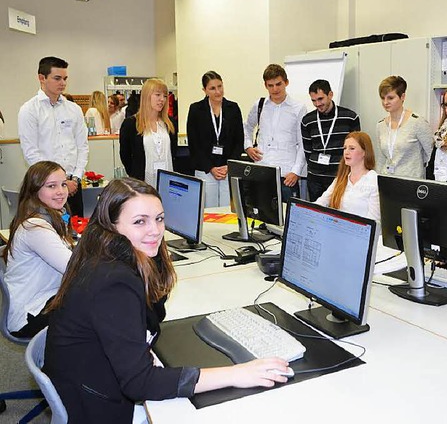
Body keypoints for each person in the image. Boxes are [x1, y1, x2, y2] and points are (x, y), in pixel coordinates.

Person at [43, 178, 290, 423]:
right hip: (97, 403)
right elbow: (139, 384)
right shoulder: (112, 281)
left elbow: (150, 317)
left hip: (91, 376)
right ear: (112, 226)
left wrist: (155, 265)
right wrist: (236, 374)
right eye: (140, 221)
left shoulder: (109, 254)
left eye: (159, 218)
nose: (155, 230)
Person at [2, 161, 73, 338]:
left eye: (63, 184)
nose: (61, 191)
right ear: (35, 190)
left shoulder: (49, 217)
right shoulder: (35, 227)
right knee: (99, 306)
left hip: (44, 298)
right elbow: (74, 269)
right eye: (51, 186)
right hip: (29, 313)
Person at [18, 56, 88, 216]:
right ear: (41, 78)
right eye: (57, 78)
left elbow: (82, 147)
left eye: (65, 78)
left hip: (73, 185)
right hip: (44, 186)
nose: (63, 83)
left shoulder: (74, 109)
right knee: (48, 231)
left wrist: (75, 179)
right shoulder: (29, 110)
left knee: (76, 233)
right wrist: (58, 183)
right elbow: (30, 152)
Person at [243, 64, 306, 201]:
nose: (275, 89)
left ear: (286, 82)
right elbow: (247, 127)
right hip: (261, 171)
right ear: (265, 85)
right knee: (260, 216)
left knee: (286, 218)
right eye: (270, 85)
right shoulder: (259, 105)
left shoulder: (298, 108)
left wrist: (296, 171)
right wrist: (248, 147)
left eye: (278, 84)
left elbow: (303, 144)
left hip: (286, 175)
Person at [187, 71, 244, 207]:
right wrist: (210, 168)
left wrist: (229, 165)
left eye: (220, 86)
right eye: (212, 88)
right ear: (205, 90)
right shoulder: (196, 110)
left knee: (227, 211)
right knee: (208, 211)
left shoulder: (233, 108)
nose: (218, 92)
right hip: (205, 169)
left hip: (227, 169)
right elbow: (194, 145)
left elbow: (239, 141)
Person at [301, 79, 361, 201]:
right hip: (315, 178)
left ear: (330, 95)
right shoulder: (307, 121)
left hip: (339, 177)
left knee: (338, 215)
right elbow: (307, 150)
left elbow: (356, 150)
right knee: (316, 215)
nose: (317, 104)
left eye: (320, 99)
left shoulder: (350, 117)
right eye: (313, 100)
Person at [119, 78, 177, 187]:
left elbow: (173, 151)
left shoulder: (170, 123)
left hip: (168, 179)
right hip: (143, 182)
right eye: (158, 95)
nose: (162, 100)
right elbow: (125, 155)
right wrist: (135, 175)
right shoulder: (131, 124)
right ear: (146, 96)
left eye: (165, 96)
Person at [376, 76, 432, 179]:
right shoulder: (380, 125)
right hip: (387, 181)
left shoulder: (417, 122)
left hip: (411, 184)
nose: (385, 102)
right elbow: (381, 159)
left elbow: (431, 155)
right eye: (383, 98)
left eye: (390, 98)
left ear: (402, 97)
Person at [316, 131, 380, 222]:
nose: (346, 152)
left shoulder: (374, 180)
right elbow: (321, 202)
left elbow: (374, 221)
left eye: (352, 148)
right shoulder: (341, 179)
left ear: (364, 152)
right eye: (345, 148)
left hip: (361, 233)